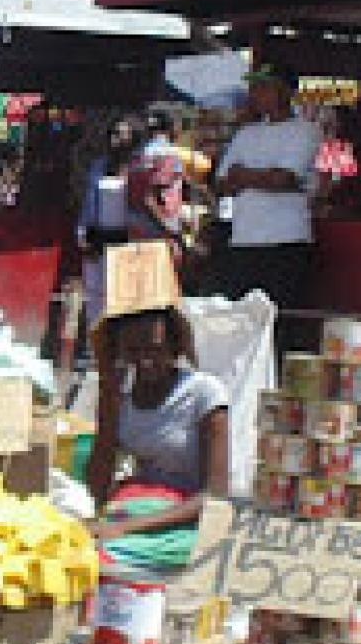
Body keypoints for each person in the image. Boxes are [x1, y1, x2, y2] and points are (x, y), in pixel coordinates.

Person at [86, 304, 229, 574]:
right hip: (135, 507)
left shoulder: (204, 394)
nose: (144, 361)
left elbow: (215, 495)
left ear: (175, 347)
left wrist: (125, 528)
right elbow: (97, 487)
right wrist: (108, 404)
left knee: (108, 558)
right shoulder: (122, 396)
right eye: (133, 352)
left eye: (154, 350)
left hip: (182, 521)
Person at [215, 65, 320, 347]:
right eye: (255, 87)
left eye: (264, 87)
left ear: (285, 91)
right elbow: (223, 183)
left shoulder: (304, 131)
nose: (256, 94)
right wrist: (262, 176)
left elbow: (284, 178)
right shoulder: (246, 134)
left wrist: (245, 175)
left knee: (280, 324)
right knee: (241, 322)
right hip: (244, 239)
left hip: (285, 241)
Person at [76, 118, 141, 327]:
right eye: (113, 134)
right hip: (98, 234)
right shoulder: (99, 166)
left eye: (122, 135)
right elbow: (89, 200)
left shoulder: (137, 167)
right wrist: (82, 231)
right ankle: (96, 337)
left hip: (126, 236)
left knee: (121, 291)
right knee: (95, 290)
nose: (116, 139)